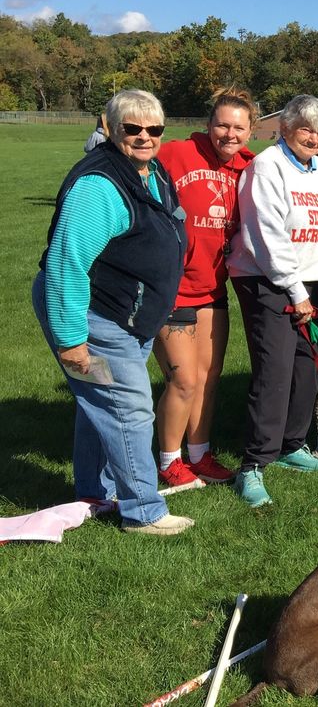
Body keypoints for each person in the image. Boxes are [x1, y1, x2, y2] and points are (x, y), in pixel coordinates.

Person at [32, 89, 191, 534]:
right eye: (132, 128)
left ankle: (94, 492)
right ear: (109, 127)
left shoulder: (151, 171)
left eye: (153, 129)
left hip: (128, 314)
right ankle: (143, 511)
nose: (144, 137)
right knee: (128, 409)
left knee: (98, 404)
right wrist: (70, 339)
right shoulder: (99, 184)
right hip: (97, 315)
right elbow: (66, 262)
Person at [226, 94, 318, 507]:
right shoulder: (266, 167)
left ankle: (291, 445)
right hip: (269, 280)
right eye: (305, 130)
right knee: (274, 371)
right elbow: (265, 235)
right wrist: (295, 293)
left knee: (306, 368)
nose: (313, 138)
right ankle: (253, 464)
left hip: (312, 282)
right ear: (284, 129)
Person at [152, 86, 256, 488]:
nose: (229, 134)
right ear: (208, 125)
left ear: (250, 132)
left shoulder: (249, 166)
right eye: (222, 125)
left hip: (213, 289)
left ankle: (200, 453)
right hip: (170, 287)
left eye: (239, 128)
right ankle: (168, 459)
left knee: (209, 376)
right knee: (184, 380)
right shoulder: (177, 153)